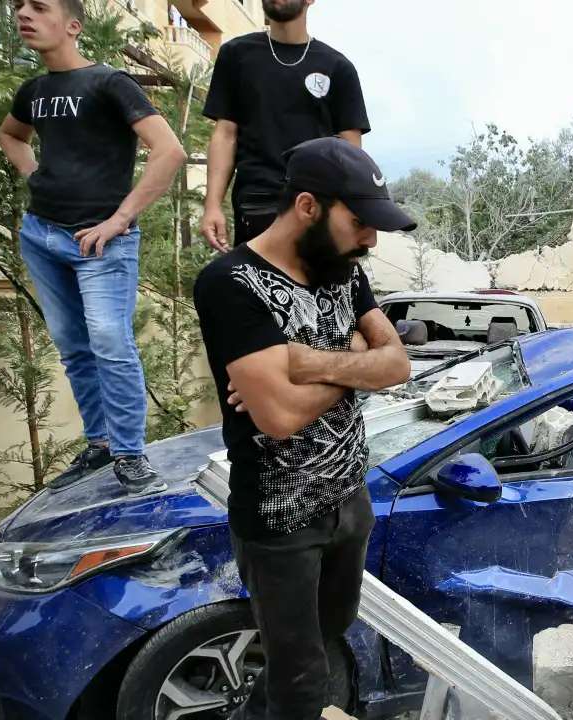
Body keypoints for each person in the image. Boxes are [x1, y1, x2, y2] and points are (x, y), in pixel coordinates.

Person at [192, 137, 414, 720]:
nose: (370, 239)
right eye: (360, 222)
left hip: (349, 498)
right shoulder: (231, 283)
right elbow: (280, 416)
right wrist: (355, 361)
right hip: (280, 518)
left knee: (330, 633)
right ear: (309, 207)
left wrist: (310, 361)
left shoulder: (340, 269)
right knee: (300, 679)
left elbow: (398, 363)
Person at [0, 0, 186, 493]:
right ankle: (101, 447)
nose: (24, 14)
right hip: (42, 234)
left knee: (111, 344)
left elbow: (170, 152)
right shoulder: (34, 90)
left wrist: (122, 217)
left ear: (73, 25)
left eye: (38, 7)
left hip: (101, 241)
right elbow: (12, 135)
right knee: (75, 349)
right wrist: (34, 176)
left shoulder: (109, 84)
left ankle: (129, 454)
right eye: (19, 7)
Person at [200, 0, 370, 252]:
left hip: (317, 208)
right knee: (257, 288)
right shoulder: (236, 55)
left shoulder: (337, 67)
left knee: (318, 289)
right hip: (256, 205)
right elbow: (225, 135)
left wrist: (351, 216)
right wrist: (212, 205)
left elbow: (350, 150)